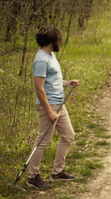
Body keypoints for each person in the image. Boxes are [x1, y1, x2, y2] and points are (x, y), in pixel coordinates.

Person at [27, 27, 80, 190]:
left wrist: (67, 82)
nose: (60, 42)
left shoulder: (51, 55)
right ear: (51, 42)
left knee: (68, 135)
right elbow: (39, 88)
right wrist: (49, 110)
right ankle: (32, 176)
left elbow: (53, 80)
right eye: (58, 40)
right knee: (43, 141)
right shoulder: (41, 60)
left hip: (59, 103)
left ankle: (58, 172)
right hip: (49, 105)